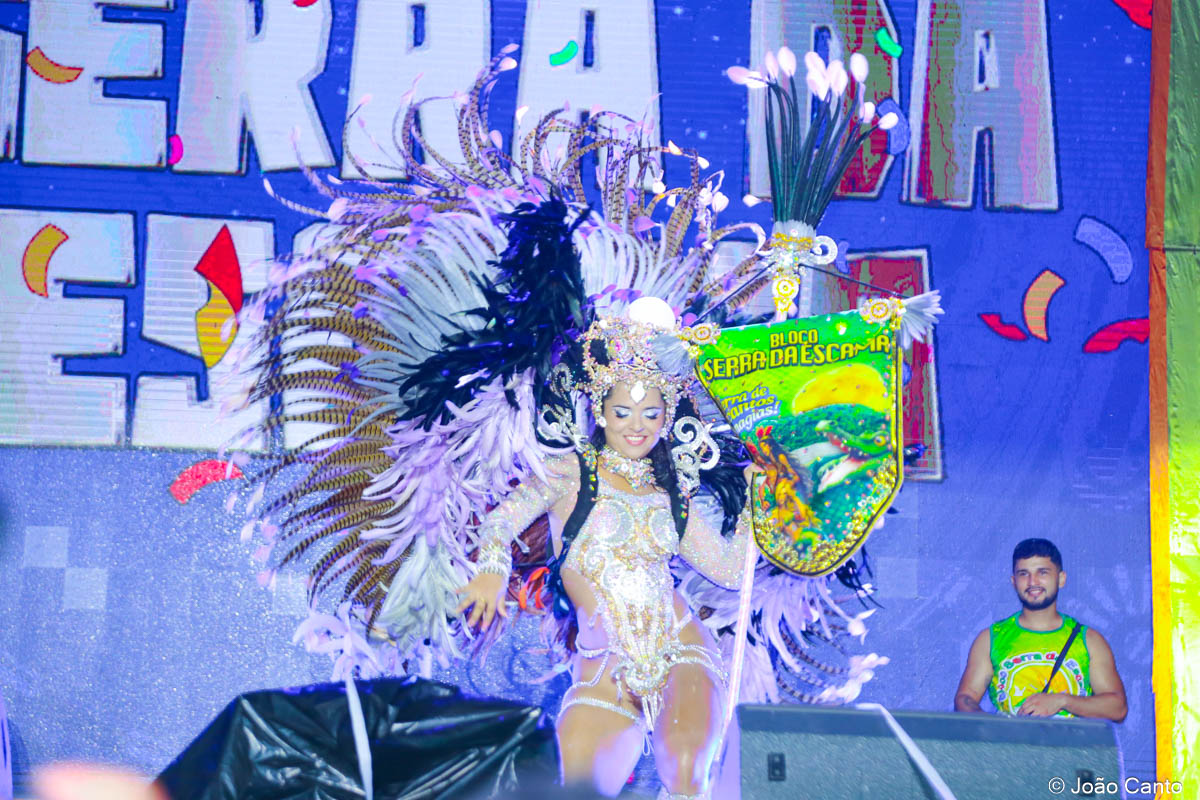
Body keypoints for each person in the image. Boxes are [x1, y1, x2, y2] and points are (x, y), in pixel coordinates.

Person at [953, 538, 1127, 721]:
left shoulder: (1089, 640)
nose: (1032, 582)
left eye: (1042, 572)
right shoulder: (991, 638)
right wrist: (994, 727)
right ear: (1014, 581)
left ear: (1061, 579)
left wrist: (1061, 701)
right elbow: (965, 699)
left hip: (1071, 741)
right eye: (1023, 574)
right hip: (1009, 740)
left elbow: (1118, 708)